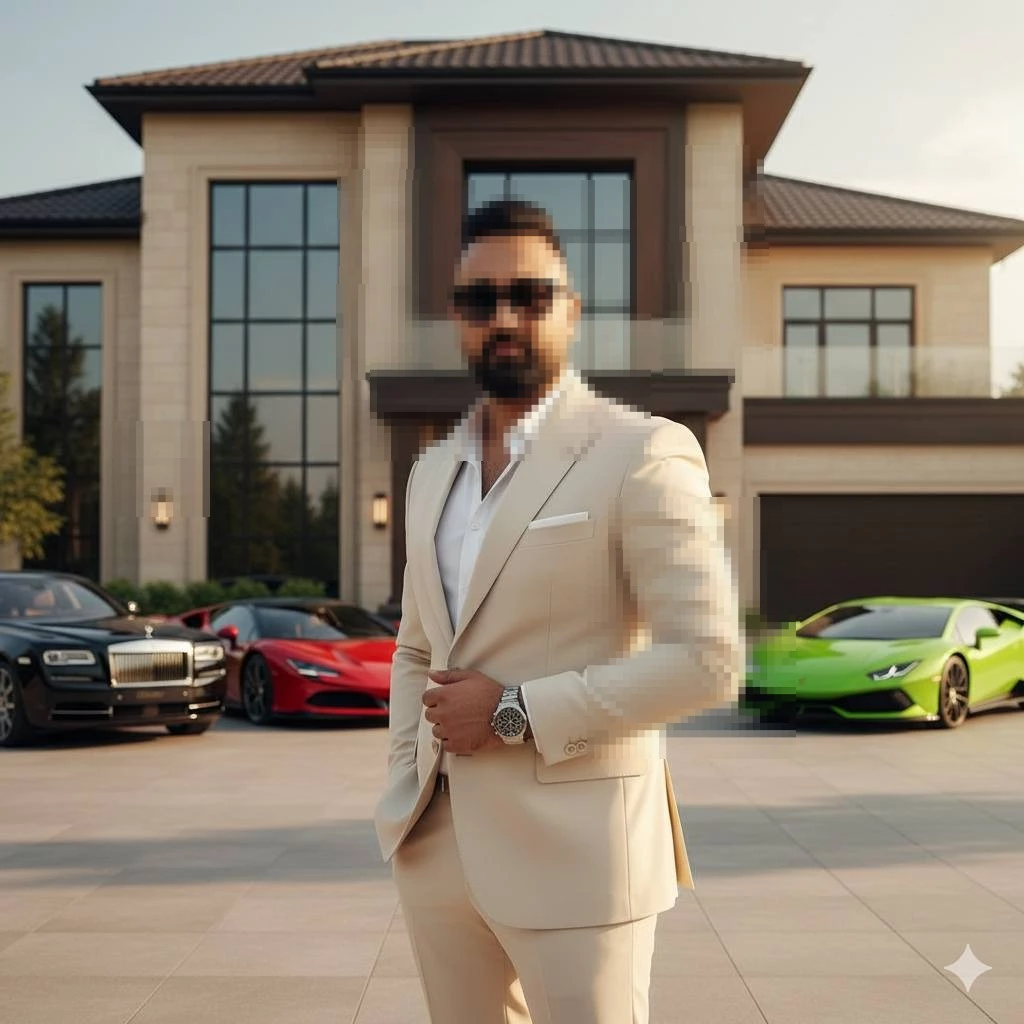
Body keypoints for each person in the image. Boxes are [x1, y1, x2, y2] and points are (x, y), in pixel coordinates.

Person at [374, 198, 742, 1023]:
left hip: (580, 858)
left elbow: (709, 657)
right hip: (437, 851)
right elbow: (414, 648)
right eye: (480, 300)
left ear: (572, 312)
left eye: (531, 296)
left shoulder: (641, 451)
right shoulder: (432, 473)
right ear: (456, 318)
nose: (504, 317)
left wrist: (509, 713)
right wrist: (407, 777)